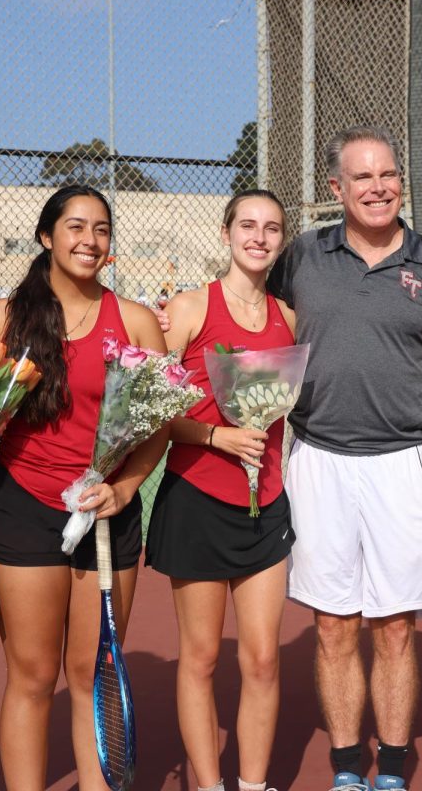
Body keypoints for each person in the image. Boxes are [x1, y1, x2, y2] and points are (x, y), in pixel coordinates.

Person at [267, 125, 422, 791]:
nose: (378, 187)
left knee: (395, 627)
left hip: (401, 463)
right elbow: (261, 329)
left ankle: (394, 767)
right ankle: (348, 766)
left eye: (388, 175)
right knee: (332, 626)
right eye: (362, 177)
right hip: (318, 458)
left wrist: (417, 432)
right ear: (336, 189)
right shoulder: (301, 256)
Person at [0, 185, 168, 790]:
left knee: (91, 671)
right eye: (77, 227)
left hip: (106, 514)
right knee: (32, 676)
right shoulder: (2, 317)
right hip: (24, 508)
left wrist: (126, 486)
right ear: (46, 236)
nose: (90, 240)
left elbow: (157, 426)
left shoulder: (133, 319)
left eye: (102, 229)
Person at [146, 189, 297, 791]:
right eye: (248, 226)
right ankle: (209, 786)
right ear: (226, 232)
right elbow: (150, 409)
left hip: (267, 505)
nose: (259, 238)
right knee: (202, 657)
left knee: (261, 659)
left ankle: (252, 785)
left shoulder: (289, 317)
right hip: (197, 499)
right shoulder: (188, 308)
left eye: (272, 229)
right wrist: (214, 437)